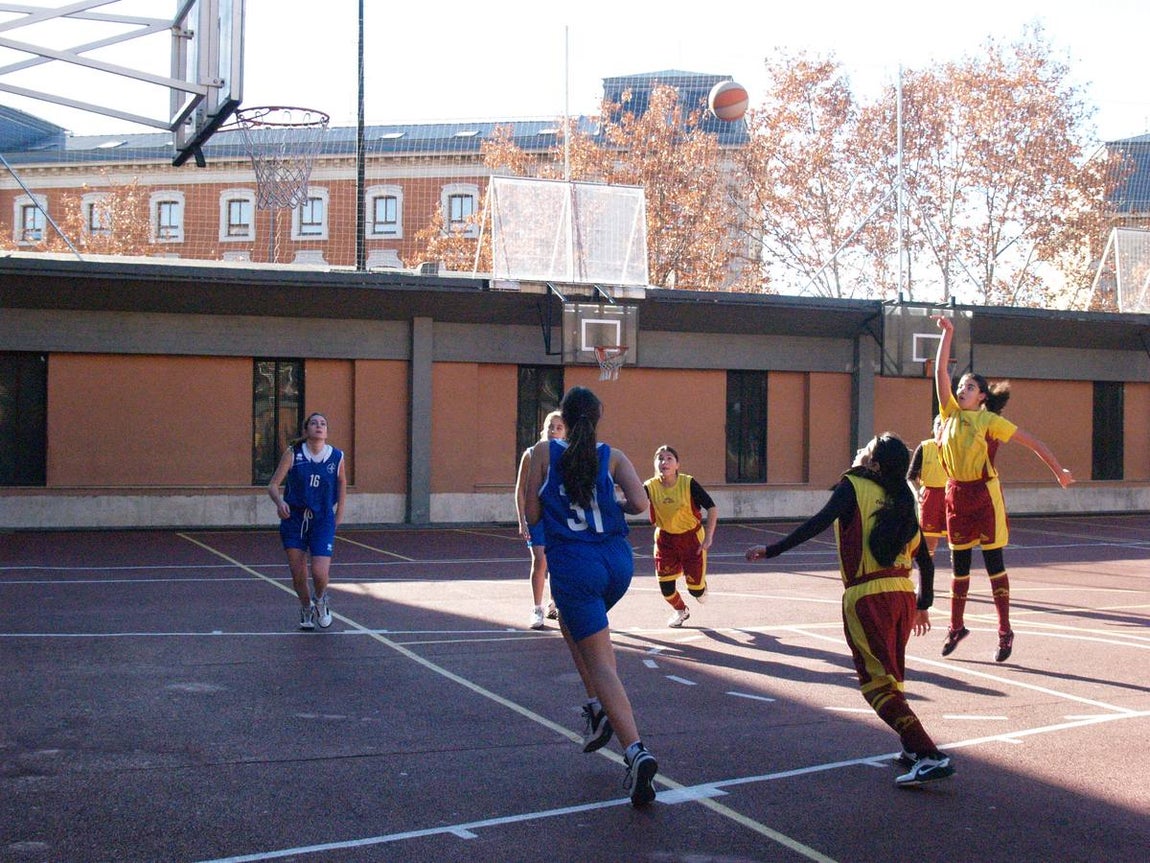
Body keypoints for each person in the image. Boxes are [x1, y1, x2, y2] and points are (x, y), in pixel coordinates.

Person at [746, 433, 955, 788]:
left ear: (872, 463)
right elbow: (926, 560)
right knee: (892, 676)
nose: (860, 448)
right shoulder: (901, 496)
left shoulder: (853, 485)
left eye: (867, 447)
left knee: (875, 686)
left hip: (868, 595)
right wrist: (924, 604)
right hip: (903, 593)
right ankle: (910, 746)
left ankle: (929, 754)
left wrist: (772, 550)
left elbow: (817, 523)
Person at [523, 386, 659, 807]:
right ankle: (596, 706)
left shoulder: (544, 453)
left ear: (562, 415)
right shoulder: (612, 456)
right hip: (618, 563)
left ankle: (635, 751)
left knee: (603, 664)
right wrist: (607, 498)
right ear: (598, 416)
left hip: (576, 565)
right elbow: (640, 503)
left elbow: (532, 515)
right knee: (568, 618)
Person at [932, 315, 1075, 662]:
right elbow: (939, 374)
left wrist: (1059, 470)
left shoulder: (989, 421)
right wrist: (948, 335)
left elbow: (1035, 442)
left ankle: (1005, 630)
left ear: (981, 397)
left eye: (969, 387)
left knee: (994, 564)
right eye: (961, 385)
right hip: (956, 496)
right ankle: (956, 626)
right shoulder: (949, 413)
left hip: (984, 497)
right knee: (959, 569)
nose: (961, 389)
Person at [267, 412, 347, 631]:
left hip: (322, 519)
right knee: (298, 574)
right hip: (295, 519)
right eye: (314, 423)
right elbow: (273, 485)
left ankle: (321, 600)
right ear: (306, 430)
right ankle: (305, 606)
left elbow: (342, 483)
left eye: (323, 423)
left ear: (327, 431)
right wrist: (279, 502)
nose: (319, 426)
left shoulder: (337, 456)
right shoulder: (293, 454)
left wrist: (339, 512)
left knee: (320, 573)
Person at [643, 445, 719, 627]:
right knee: (666, 588)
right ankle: (681, 610)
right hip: (665, 540)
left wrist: (708, 537)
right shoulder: (649, 486)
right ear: (655, 463)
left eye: (669, 458)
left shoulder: (688, 483)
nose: (664, 462)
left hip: (692, 539)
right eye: (660, 458)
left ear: (677, 465)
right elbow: (634, 501)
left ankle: (700, 587)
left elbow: (712, 507)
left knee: (697, 593)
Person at [514, 410, 566, 629]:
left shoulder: (567, 454)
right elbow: (520, 489)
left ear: (565, 432)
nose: (553, 431)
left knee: (560, 562)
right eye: (550, 426)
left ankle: (556, 604)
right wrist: (522, 520)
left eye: (559, 427)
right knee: (540, 559)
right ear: (543, 429)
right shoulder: (531, 453)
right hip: (537, 515)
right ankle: (537, 608)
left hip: (559, 515)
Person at [907, 415, 948, 561]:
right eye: (938, 424)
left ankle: (957, 579)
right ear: (933, 428)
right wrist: (916, 492)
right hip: (930, 497)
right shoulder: (924, 448)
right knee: (928, 543)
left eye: (944, 425)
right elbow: (910, 476)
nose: (941, 428)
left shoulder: (956, 449)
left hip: (951, 496)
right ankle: (925, 581)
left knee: (957, 542)